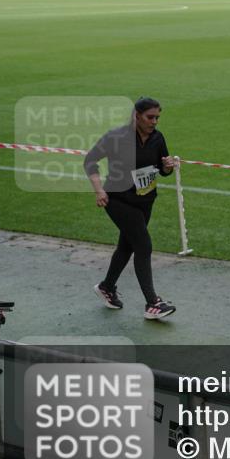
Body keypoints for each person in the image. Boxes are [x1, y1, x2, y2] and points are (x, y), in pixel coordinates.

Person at [85, 97, 177, 320]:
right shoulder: (116, 137)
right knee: (143, 245)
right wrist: (99, 190)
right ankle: (152, 303)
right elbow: (90, 161)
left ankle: (107, 287)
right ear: (136, 115)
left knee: (127, 247)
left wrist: (167, 167)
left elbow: (161, 169)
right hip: (118, 200)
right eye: (150, 117)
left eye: (157, 117)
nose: (154, 121)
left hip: (146, 201)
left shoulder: (157, 138)